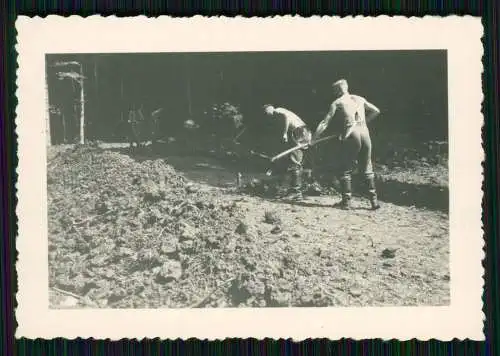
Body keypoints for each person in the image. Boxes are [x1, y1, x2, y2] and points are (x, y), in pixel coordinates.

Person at [313, 79, 381, 210]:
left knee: (345, 167)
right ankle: (374, 202)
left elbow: (324, 122)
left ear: (338, 90)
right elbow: (376, 111)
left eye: (334, 91)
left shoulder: (337, 102)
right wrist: (365, 121)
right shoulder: (359, 99)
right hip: (365, 133)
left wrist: (314, 138)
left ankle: (346, 202)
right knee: (367, 167)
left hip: (351, 134)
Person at [264, 104, 313, 200]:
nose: (267, 114)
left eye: (266, 111)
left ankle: (296, 192)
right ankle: (295, 190)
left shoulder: (277, 110)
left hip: (299, 131)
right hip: (303, 131)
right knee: (294, 159)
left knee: (294, 162)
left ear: (269, 108)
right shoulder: (282, 111)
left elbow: (286, 117)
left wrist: (285, 133)